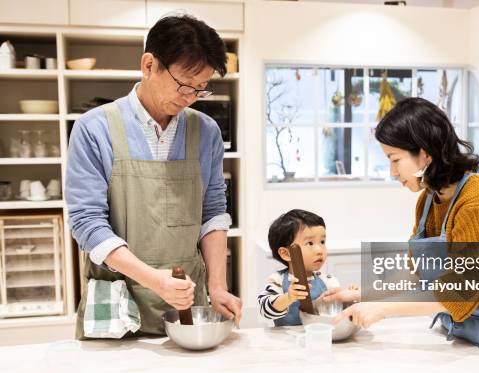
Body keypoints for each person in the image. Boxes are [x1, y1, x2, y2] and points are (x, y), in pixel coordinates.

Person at [321, 97, 479, 373]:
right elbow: (417, 271)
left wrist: (383, 309)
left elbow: (461, 290)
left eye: (394, 159)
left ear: (425, 155)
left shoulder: (478, 201)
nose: (392, 172)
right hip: (461, 334)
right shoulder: (429, 199)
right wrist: (362, 295)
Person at [67, 14, 242, 339]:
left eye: (200, 89)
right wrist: (154, 280)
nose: (189, 97)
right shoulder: (95, 128)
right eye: (184, 84)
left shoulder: (206, 132)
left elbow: (214, 213)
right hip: (116, 299)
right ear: (149, 65)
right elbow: (87, 223)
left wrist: (218, 286)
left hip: (187, 298)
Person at [258, 209, 347, 326]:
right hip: (286, 340)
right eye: (310, 243)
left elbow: (338, 310)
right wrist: (288, 298)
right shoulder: (277, 280)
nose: (320, 250)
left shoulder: (329, 281)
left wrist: (347, 294)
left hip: (318, 336)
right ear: (286, 253)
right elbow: (265, 310)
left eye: (322, 241)